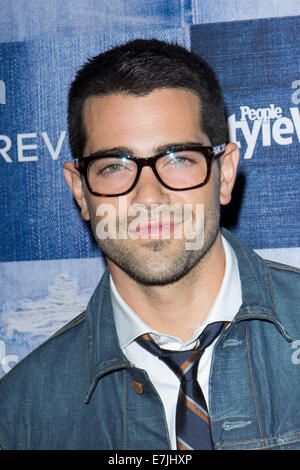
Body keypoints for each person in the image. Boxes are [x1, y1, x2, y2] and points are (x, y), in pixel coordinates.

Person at [0, 38, 300, 451]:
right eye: (114, 167)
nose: (149, 198)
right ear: (80, 191)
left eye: (178, 159)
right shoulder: (21, 415)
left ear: (225, 174)